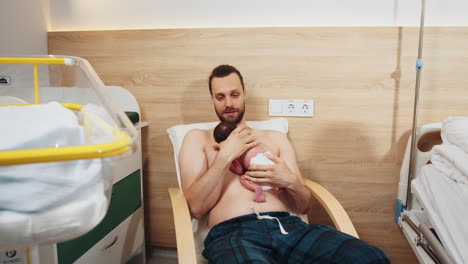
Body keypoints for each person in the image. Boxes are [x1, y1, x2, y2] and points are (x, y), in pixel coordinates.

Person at [178, 65, 390, 263]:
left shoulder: (274, 138)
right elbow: (196, 207)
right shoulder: (198, 139)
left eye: (234, 95)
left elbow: (303, 206)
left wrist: (289, 181)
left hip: (289, 228)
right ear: (212, 100)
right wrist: (224, 158)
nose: (229, 103)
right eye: (220, 97)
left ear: (244, 94)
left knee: (371, 257)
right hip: (234, 233)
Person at [214, 120, 280, 203]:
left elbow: (239, 170)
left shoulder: (235, 151)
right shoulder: (249, 138)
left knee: (244, 179)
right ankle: (279, 188)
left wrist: (230, 162)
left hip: (256, 163)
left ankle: (257, 189)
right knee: (273, 177)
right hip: (268, 158)